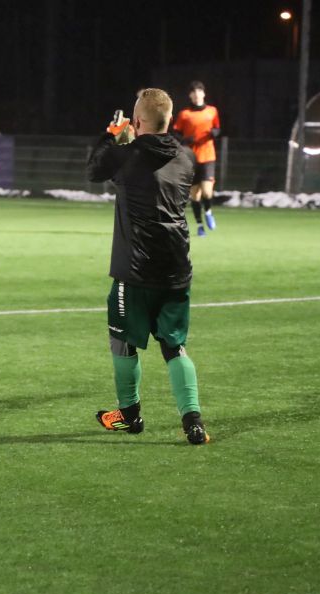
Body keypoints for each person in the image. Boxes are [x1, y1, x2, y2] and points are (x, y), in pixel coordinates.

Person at [86, 89, 210, 445]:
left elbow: (95, 170)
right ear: (169, 120)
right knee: (174, 346)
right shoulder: (186, 157)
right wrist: (131, 143)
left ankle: (129, 415)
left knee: (121, 340)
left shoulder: (127, 155)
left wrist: (112, 137)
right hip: (176, 269)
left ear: (137, 121)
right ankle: (193, 423)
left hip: (135, 270)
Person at [171, 81, 221, 237]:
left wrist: (215, 133)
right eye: (193, 92)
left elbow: (217, 128)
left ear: (203, 94)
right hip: (190, 159)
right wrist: (185, 140)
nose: (196, 94)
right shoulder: (184, 114)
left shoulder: (212, 111)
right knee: (195, 195)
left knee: (207, 191)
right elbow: (175, 133)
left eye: (199, 91)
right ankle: (200, 225)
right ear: (190, 95)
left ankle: (208, 212)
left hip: (208, 156)